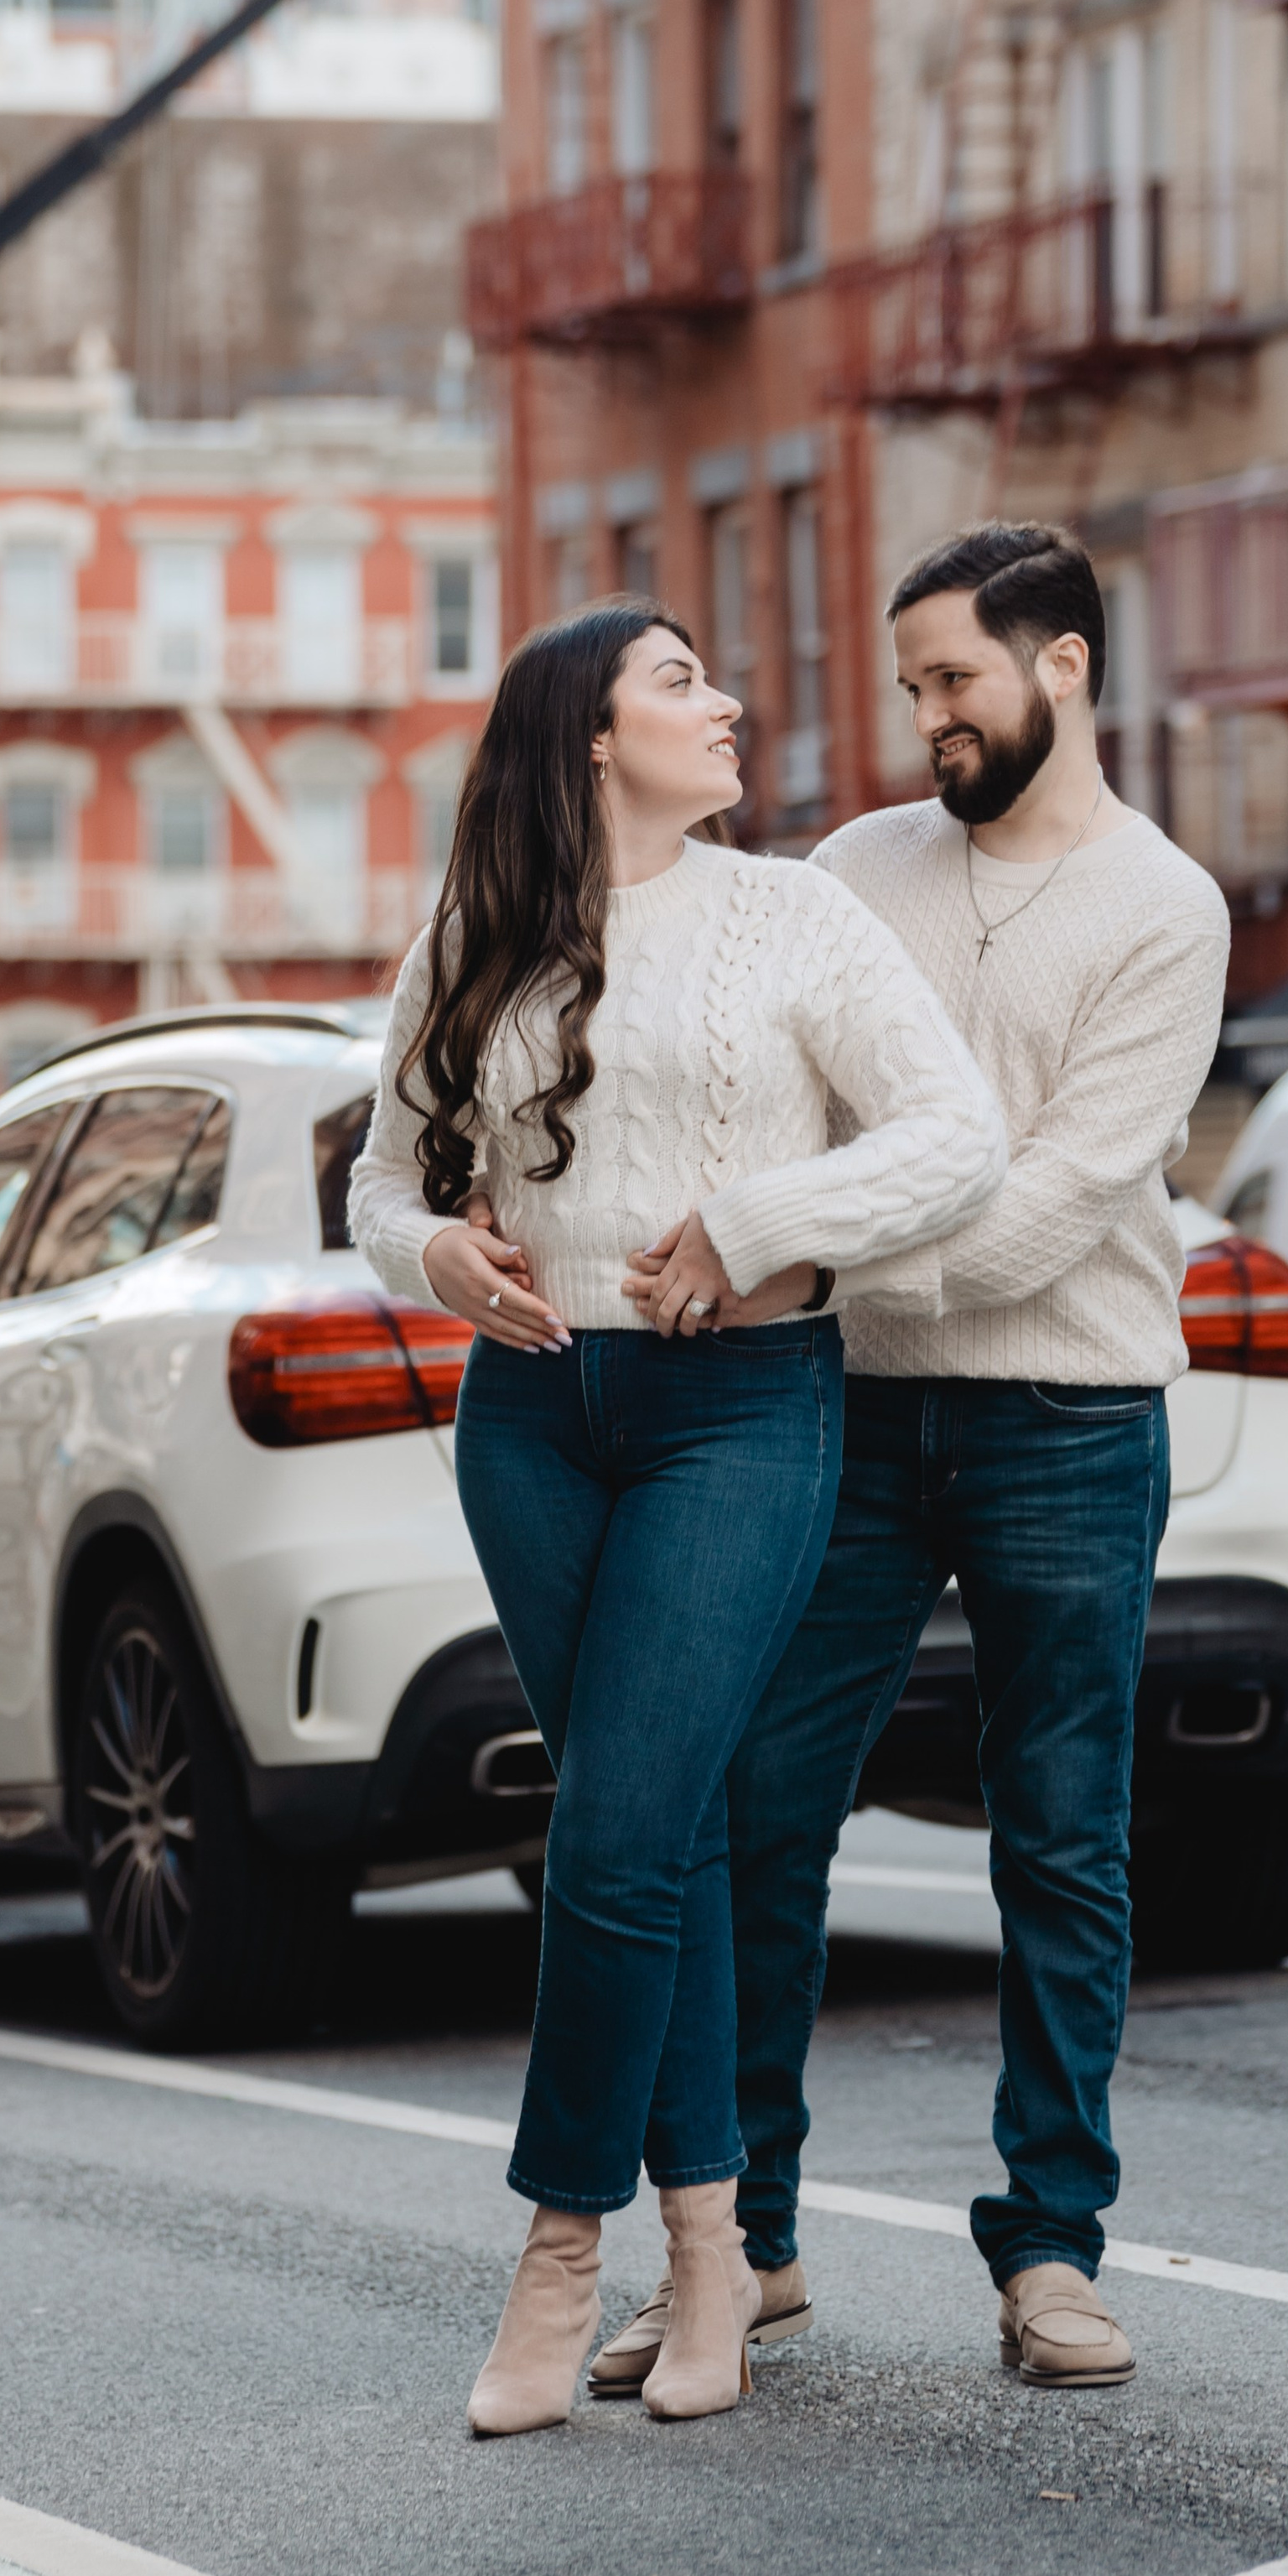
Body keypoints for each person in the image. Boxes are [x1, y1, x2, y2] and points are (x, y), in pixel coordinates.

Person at [349, 599, 1005, 2438]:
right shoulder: (473, 935)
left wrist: (759, 1221)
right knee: (664, 1832)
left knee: (617, 1833)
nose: (727, 706)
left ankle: (559, 2249)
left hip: (741, 1406)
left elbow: (952, 1135)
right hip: (531, 1421)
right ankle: (711, 2249)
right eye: (680, 682)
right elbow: (381, 1179)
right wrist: (437, 1256)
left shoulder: (792, 916)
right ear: (588, 735)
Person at [610, 522, 1229, 2396]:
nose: (928, 719)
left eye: (953, 680)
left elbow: (1052, 1209)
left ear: (1062, 665)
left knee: (1061, 1839)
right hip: (847, 1413)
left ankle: (1051, 2249)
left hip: (1069, 1418)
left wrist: (807, 1255)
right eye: (912, 688)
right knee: (759, 1810)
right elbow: (771, 1110)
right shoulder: (850, 873)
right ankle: (746, 2250)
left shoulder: (1165, 910)